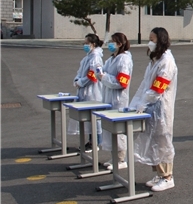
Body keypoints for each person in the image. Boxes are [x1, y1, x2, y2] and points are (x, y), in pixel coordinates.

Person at [129, 27, 178, 192]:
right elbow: (145, 84)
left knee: (162, 141)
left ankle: (167, 177)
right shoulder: (155, 60)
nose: (149, 42)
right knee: (154, 141)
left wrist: (145, 102)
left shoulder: (167, 62)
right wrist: (136, 103)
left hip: (161, 107)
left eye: (152, 39)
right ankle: (159, 173)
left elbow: (158, 88)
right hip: (151, 106)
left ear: (161, 40)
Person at [98, 32, 133, 170]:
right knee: (110, 129)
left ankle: (121, 159)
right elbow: (103, 73)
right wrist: (100, 73)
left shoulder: (124, 60)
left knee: (118, 130)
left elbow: (122, 82)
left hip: (118, 100)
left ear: (119, 44)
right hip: (109, 98)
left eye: (112, 42)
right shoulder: (111, 59)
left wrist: (104, 77)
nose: (110, 45)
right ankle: (114, 157)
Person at [69, 33, 104, 152]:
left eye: (87, 43)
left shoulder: (96, 57)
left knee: (94, 118)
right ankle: (91, 141)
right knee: (89, 118)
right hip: (85, 90)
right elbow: (80, 72)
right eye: (84, 43)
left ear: (93, 44)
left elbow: (93, 74)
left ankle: (96, 142)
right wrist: (77, 80)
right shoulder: (87, 57)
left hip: (93, 91)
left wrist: (81, 82)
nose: (85, 45)